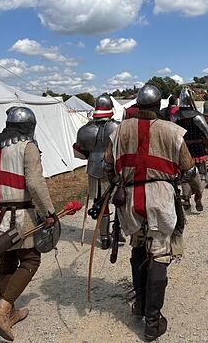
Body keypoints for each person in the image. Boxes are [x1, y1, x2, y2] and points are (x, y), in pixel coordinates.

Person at [104, 84, 194, 341]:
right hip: (161, 199)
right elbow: (187, 168)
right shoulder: (172, 131)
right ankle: (152, 322)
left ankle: (141, 305)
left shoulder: (119, 130)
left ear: (137, 105)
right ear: (158, 107)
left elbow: (108, 165)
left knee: (137, 246)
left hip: (130, 199)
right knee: (159, 253)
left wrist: (121, 180)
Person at [0, 107, 57, 341]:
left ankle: (10, 312)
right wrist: (49, 212)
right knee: (30, 258)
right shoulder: (27, 146)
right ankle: (2, 310)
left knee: (7, 261)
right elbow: (35, 183)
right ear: (29, 126)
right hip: (19, 216)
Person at [73, 94, 120, 248]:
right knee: (120, 201)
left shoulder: (85, 129)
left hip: (94, 169)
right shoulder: (118, 127)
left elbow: (79, 153)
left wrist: (91, 154)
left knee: (100, 203)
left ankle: (104, 237)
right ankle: (116, 232)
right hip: (114, 169)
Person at [172, 88, 208, 212]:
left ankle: (186, 198)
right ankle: (198, 196)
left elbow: (173, 134)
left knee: (184, 175)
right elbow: (207, 132)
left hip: (183, 149)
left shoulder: (176, 117)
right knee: (202, 174)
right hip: (198, 149)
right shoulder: (197, 116)